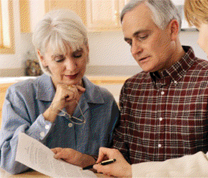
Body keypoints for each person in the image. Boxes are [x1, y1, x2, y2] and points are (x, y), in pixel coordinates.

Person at [52, 0, 208, 170]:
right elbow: (119, 159)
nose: (135, 50)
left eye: (142, 36)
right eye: (129, 42)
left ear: (173, 29)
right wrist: (85, 160)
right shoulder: (132, 88)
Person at [91, 0, 208, 177]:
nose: (199, 41)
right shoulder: (131, 88)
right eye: (129, 42)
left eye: (199, 28)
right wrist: (129, 171)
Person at [0, 9, 119, 174]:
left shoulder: (105, 102)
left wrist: (88, 161)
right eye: (59, 59)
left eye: (77, 55)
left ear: (87, 49)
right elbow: (8, 163)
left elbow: (119, 163)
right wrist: (51, 111)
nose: (71, 67)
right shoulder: (20, 96)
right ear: (42, 58)